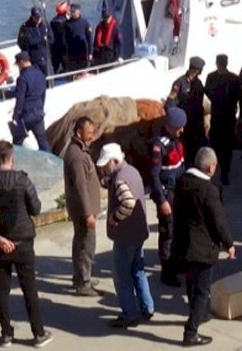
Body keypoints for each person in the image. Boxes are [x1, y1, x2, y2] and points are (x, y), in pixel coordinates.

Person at [0, 141, 53, 348]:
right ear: (12, 157)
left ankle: (6, 334)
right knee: (29, 289)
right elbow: (35, 208)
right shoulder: (22, 180)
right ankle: (38, 333)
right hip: (23, 241)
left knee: (2, 289)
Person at [172, 147, 235, 346]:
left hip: (184, 246)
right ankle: (191, 332)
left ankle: (196, 315)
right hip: (202, 248)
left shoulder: (183, 181)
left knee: (191, 285)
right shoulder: (209, 190)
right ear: (209, 167)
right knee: (202, 291)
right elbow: (218, 220)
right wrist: (229, 243)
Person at [96, 143, 154, 328]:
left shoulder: (120, 178)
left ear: (114, 161)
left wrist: (114, 218)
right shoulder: (132, 171)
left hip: (125, 236)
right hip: (139, 233)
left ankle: (129, 314)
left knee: (122, 277)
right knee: (139, 271)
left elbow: (127, 203)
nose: (104, 168)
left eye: (106, 164)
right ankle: (148, 307)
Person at [63, 117, 102, 296]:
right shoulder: (77, 156)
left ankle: (81, 276)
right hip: (83, 212)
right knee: (86, 246)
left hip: (84, 210)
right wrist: (88, 214)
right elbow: (81, 188)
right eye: (89, 133)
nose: (92, 137)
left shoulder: (78, 151)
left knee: (82, 243)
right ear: (79, 133)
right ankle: (83, 283)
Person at [149, 106, 187, 287]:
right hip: (167, 194)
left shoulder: (177, 140)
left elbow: (180, 166)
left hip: (178, 193)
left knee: (178, 230)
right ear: (171, 126)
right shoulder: (159, 145)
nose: (182, 130)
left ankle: (176, 263)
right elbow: (154, 175)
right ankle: (166, 271)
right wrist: (162, 200)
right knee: (168, 233)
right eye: (179, 127)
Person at [204, 54, 242, 185]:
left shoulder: (213, 78)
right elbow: (241, 99)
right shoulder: (234, 79)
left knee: (222, 147)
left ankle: (219, 172)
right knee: (223, 147)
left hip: (223, 117)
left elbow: (207, 95)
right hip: (223, 117)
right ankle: (223, 173)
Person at [166, 56, 207, 166]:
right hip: (183, 124)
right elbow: (170, 102)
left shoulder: (198, 84)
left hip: (196, 124)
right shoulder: (178, 84)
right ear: (196, 70)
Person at [12, 51, 50, 152]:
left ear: (21, 62)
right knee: (43, 142)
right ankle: (51, 161)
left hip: (25, 116)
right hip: (38, 114)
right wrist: (41, 108)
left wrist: (15, 116)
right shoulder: (40, 74)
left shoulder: (22, 78)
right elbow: (43, 94)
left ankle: (13, 163)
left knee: (17, 143)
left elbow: (20, 99)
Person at [17, 6, 54, 77]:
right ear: (32, 16)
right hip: (34, 59)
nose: (38, 19)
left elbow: (51, 39)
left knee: (49, 78)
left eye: (39, 17)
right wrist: (42, 39)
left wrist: (45, 41)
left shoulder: (45, 24)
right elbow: (28, 42)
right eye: (36, 18)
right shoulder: (25, 27)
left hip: (46, 57)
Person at [63, 3, 93, 72]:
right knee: (73, 71)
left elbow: (89, 39)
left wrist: (90, 53)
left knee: (83, 71)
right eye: (72, 11)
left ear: (79, 11)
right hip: (72, 53)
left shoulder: (85, 23)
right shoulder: (67, 24)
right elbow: (64, 39)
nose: (73, 13)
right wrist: (64, 53)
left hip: (82, 52)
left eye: (74, 11)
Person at [50, 1, 69, 75]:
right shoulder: (66, 22)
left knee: (54, 67)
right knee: (67, 68)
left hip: (54, 48)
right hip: (64, 49)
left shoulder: (52, 21)